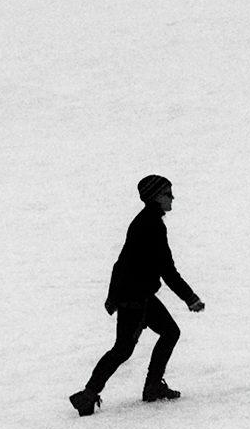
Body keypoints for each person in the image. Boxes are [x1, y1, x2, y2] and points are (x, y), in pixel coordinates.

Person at [68, 172, 203, 415]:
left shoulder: (145, 221)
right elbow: (166, 269)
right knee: (123, 349)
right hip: (135, 298)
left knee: (167, 333)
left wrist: (115, 295)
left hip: (137, 295)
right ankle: (88, 396)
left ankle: (151, 387)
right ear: (155, 197)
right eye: (167, 193)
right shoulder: (151, 225)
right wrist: (190, 298)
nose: (172, 198)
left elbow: (123, 262)